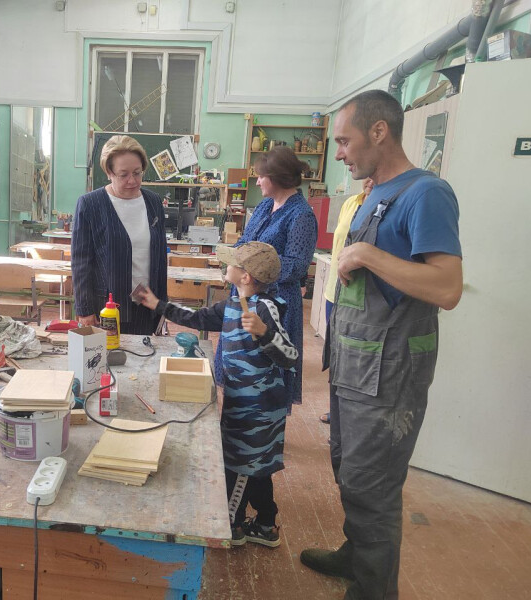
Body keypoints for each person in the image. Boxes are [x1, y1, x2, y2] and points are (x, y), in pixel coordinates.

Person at [300, 90, 462, 599]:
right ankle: (356, 556)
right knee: (350, 472)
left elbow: (447, 287)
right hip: (356, 365)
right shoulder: (375, 192)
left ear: (378, 131)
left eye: (344, 141)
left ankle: (374, 590)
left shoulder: (427, 193)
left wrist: (367, 254)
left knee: (373, 486)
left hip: (388, 373)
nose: (339, 153)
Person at [137, 242, 297, 547]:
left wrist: (264, 331)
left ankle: (232, 525)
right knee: (256, 467)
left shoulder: (265, 308)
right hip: (240, 401)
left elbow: (290, 356)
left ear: (246, 276)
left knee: (240, 466)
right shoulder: (232, 304)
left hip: (260, 409)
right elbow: (196, 318)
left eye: (231, 263)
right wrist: (158, 305)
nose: (225, 266)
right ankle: (266, 524)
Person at [217, 146, 317, 406]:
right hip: (245, 293)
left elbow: (297, 265)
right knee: (238, 360)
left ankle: (264, 423)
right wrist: (232, 256)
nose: (258, 181)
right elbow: (245, 242)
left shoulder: (302, 215)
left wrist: (253, 266)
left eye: (262, 176)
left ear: (277, 177)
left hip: (275, 303)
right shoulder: (264, 205)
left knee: (265, 371)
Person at [71, 135, 167, 334]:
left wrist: (162, 305)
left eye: (137, 173)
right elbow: (81, 262)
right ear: (109, 172)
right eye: (123, 175)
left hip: (147, 304)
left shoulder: (153, 202)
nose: (132, 180)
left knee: (145, 352)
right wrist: (84, 309)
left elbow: (160, 258)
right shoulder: (90, 204)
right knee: (109, 354)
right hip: (107, 307)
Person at [319, 177, 373, 442]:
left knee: (356, 361)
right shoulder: (351, 203)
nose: (370, 181)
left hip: (359, 297)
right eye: (367, 177)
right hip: (334, 292)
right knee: (335, 355)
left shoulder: (386, 207)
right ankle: (336, 410)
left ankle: (349, 418)